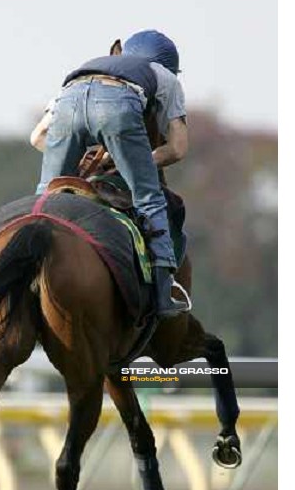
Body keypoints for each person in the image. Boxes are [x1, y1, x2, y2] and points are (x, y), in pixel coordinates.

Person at [30, 30, 189, 317]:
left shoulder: (90, 66)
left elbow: (38, 137)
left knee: (46, 199)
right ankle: (164, 292)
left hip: (70, 102)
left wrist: (76, 166)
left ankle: (26, 269)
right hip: (117, 108)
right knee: (149, 197)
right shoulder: (165, 77)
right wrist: (132, 164)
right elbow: (177, 149)